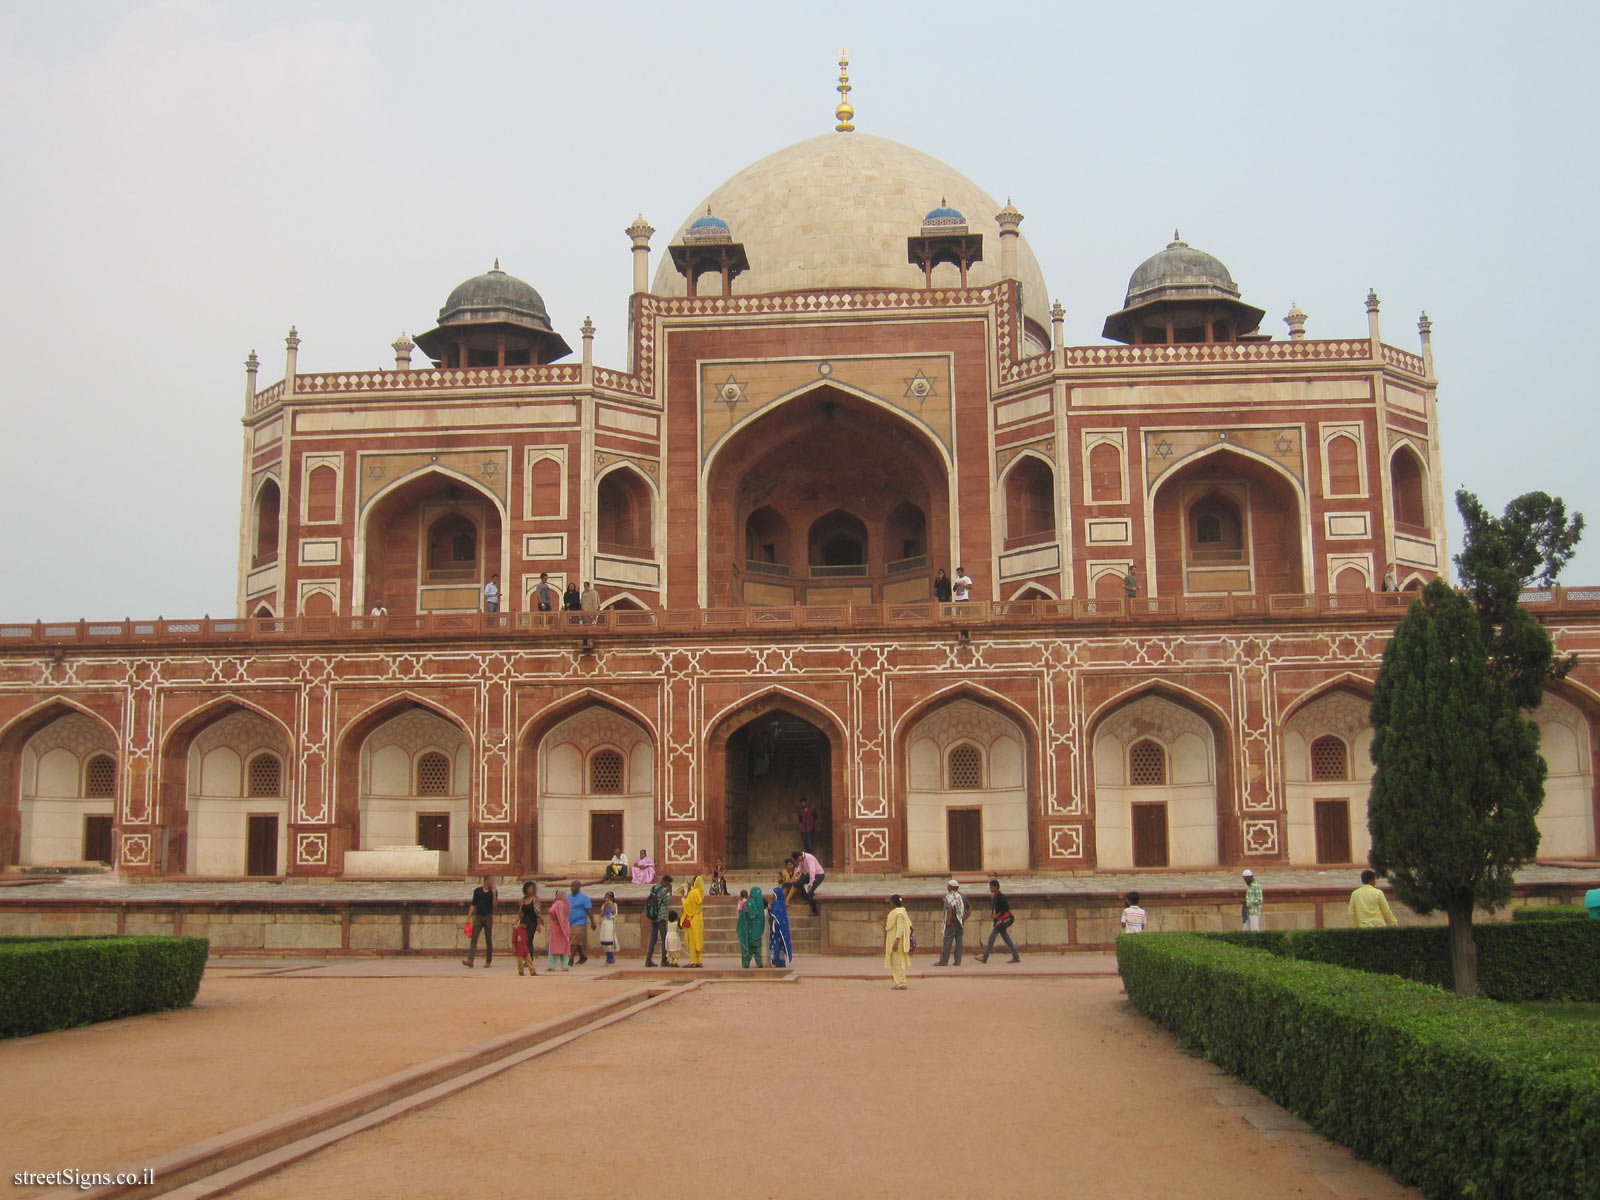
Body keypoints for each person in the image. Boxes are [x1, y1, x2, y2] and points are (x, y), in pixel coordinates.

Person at [978, 877, 1021, 963]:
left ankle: (985, 957)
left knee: (992, 938)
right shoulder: (995, 897)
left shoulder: (1000, 896)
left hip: (1004, 919)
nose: (990, 889)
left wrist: (997, 915)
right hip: (1000, 921)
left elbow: (1006, 908)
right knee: (1006, 938)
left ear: (996, 887)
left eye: (991, 887)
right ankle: (1015, 956)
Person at [462, 875, 497, 968]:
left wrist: (494, 894)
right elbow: (473, 904)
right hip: (478, 916)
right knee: (474, 938)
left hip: (488, 917)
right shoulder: (477, 891)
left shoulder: (493, 892)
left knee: (488, 939)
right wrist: (468, 917)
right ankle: (470, 960)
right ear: (485, 881)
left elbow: (495, 905)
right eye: (490, 880)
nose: (491, 882)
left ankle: (488, 961)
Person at [936, 878, 967, 966]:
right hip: (960, 921)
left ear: (950, 887)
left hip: (952, 921)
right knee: (959, 941)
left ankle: (944, 961)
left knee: (948, 941)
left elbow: (949, 909)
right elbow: (968, 907)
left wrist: (948, 921)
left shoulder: (949, 897)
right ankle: (958, 960)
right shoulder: (961, 896)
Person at [644, 873, 673, 966]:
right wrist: (670, 892)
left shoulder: (654, 888)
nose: (667, 885)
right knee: (664, 938)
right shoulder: (663, 891)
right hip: (661, 916)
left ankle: (648, 960)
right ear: (665, 881)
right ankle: (664, 960)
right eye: (667, 883)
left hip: (653, 916)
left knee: (653, 938)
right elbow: (667, 902)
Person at [885, 894, 912, 990]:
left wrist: (896, 941)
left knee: (897, 962)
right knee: (896, 961)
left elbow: (900, 928)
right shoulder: (901, 912)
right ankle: (899, 981)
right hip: (895, 940)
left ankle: (901, 982)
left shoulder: (899, 913)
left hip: (896, 941)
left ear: (893, 902)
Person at [737, 885, 766, 968]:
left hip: (749, 932)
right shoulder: (761, 904)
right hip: (758, 932)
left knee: (748, 948)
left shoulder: (749, 902)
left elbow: (743, 913)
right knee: (757, 949)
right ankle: (759, 963)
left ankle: (746, 963)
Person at [515, 881, 540, 976]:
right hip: (523, 922)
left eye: (532, 888)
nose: (531, 890)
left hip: (532, 922)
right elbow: (520, 913)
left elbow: (538, 913)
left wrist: (538, 924)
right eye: (529, 888)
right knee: (523, 941)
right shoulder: (523, 900)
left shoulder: (536, 900)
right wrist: (516, 921)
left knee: (529, 940)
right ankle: (526, 957)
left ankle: (530, 958)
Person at [681, 875, 706, 967]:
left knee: (692, 941)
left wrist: (683, 897)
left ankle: (692, 961)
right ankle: (699, 961)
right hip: (698, 918)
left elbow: (687, 904)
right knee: (698, 939)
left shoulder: (693, 893)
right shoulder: (699, 893)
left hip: (692, 919)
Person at [768, 875, 792, 967]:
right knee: (779, 944)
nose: (772, 896)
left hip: (777, 929)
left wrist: (772, 917)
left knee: (776, 944)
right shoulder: (780, 902)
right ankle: (780, 961)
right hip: (778, 928)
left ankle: (776, 961)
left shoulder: (778, 904)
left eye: (773, 894)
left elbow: (776, 915)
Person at [567, 880, 594, 964]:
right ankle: (583, 956)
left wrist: (592, 921)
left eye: (575, 886)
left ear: (579, 887)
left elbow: (589, 910)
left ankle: (570, 959)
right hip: (570, 922)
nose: (573, 888)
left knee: (575, 941)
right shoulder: (568, 897)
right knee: (577, 941)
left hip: (580, 922)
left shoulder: (584, 898)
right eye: (572, 886)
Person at [546, 890, 571, 971]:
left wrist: (553, 917)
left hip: (555, 928)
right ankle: (565, 966)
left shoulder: (558, 903)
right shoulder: (567, 903)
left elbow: (551, 911)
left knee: (552, 948)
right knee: (564, 948)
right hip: (565, 927)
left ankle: (551, 966)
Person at [794, 848, 825, 914]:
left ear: (800, 856)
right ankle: (807, 898)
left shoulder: (809, 858)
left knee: (810, 892)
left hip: (818, 875)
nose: (798, 861)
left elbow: (812, 871)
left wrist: (810, 884)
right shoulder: (801, 859)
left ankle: (814, 910)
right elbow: (800, 867)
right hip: (809, 874)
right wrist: (797, 874)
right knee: (798, 884)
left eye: (798, 860)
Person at [598, 891, 620, 964]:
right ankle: (610, 957)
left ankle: (609, 958)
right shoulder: (603, 905)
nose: (607, 900)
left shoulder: (615, 905)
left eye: (608, 898)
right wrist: (605, 906)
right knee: (604, 941)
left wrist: (611, 904)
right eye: (606, 898)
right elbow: (601, 914)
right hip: (604, 923)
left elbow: (614, 912)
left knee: (609, 940)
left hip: (610, 923)